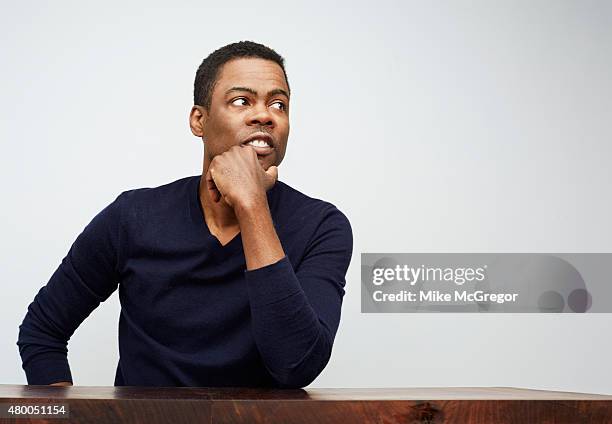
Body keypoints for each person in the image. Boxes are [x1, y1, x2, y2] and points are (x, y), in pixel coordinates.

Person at [16, 41, 353, 388]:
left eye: (278, 105)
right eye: (242, 101)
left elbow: (296, 365)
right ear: (199, 120)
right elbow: (42, 331)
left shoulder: (322, 227)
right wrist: (65, 416)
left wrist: (252, 205)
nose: (264, 115)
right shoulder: (132, 217)